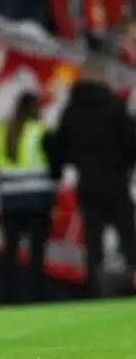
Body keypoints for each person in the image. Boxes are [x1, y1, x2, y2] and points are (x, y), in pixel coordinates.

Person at [47, 57, 136, 297]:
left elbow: (60, 148)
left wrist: (59, 170)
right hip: (115, 180)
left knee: (93, 239)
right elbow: (132, 141)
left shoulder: (72, 110)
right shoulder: (114, 106)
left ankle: (93, 291)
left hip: (87, 182)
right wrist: (126, 165)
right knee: (128, 235)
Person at [0, 92, 58, 304]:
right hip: (37, 200)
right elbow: (56, 162)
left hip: (9, 200)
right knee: (37, 253)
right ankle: (37, 297)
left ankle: (6, 298)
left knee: (9, 251)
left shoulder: (0, 133)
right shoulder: (40, 131)